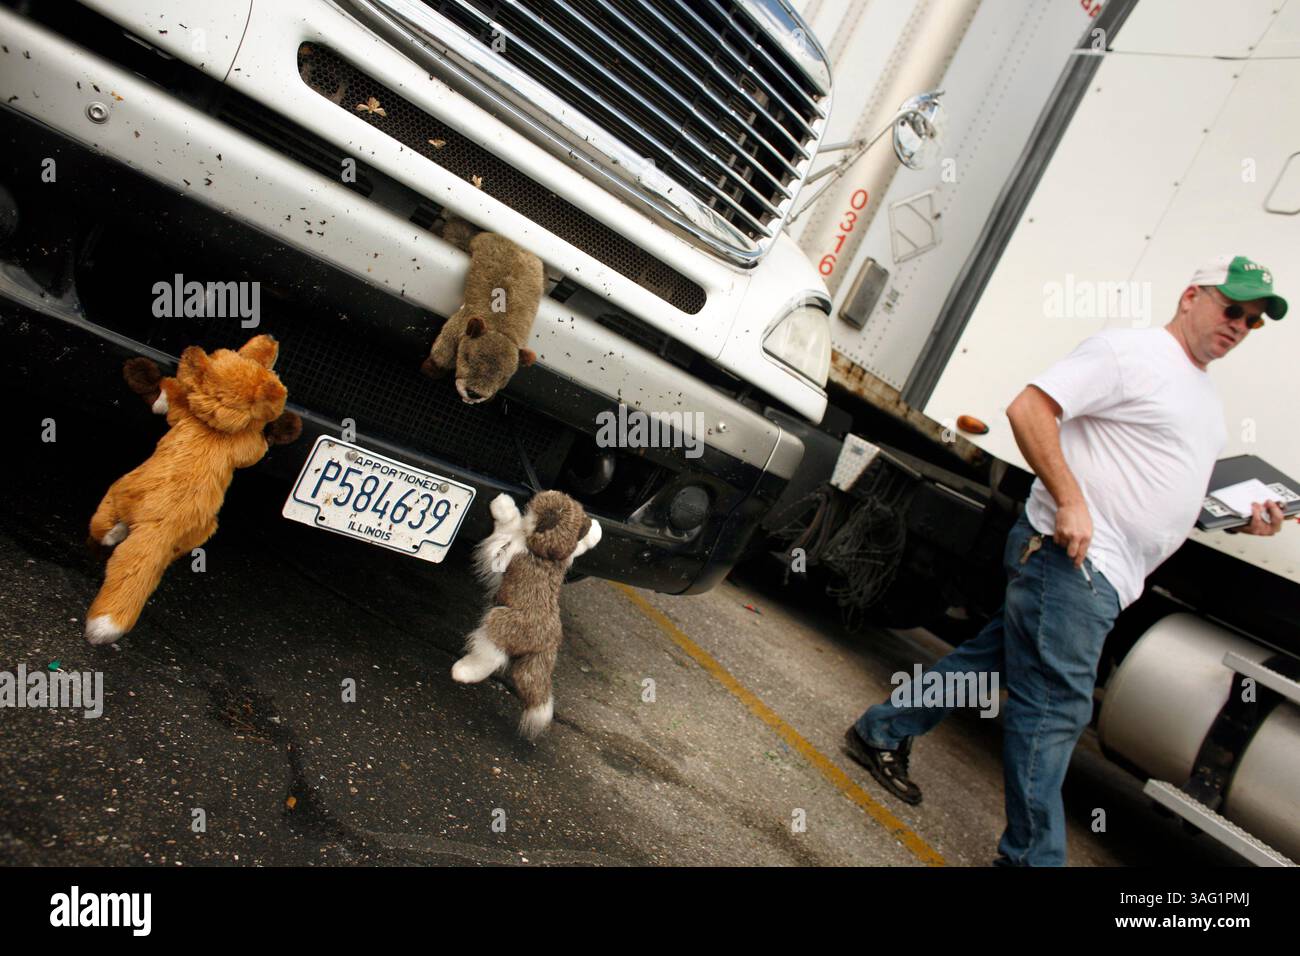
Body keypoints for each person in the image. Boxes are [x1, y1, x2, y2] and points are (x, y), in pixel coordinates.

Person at [842, 255, 1291, 866]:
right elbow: (1029, 409)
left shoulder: (1204, 396)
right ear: (1191, 296)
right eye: (1231, 307)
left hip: (1109, 576)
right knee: (1056, 710)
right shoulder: (1130, 354)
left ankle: (880, 732)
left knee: (992, 658)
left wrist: (1246, 519)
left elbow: (1164, 483)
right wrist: (1072, 502)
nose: (1239, 324)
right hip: (1072, 556)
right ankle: (1033, 858)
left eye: (1254, 321)